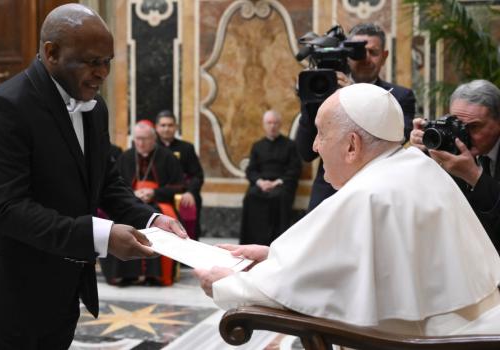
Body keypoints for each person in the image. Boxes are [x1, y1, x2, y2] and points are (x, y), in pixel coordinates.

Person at [0, 4, 186, 349]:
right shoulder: (7, 108)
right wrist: (102, 236)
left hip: (60, 289)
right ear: (51, 53)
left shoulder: (94, 108)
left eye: (107, 61)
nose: (103, 72)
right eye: (91, 61)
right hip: (2, 293)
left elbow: (105, 182)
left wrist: (150, 217)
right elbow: (7, 209)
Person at [195, 83, 500, 337]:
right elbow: (351, 264)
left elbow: (278, 293)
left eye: (321, 133)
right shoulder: (417, 166)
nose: (315, 146)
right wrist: (272, 257)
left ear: (352, 145)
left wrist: (227, 282)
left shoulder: (368, 194)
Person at [296, 23, 416, 211]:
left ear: (384, 56)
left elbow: (395, 142)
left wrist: (353, 95)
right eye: (358, 52)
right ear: (346, 55)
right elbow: (306, 152)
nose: (365, 58)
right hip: (328, 198)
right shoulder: (322, 91)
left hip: (376, 199)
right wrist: (312, 104)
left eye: (372, 52)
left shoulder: (400, 97)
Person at [410, 79, 500, 253]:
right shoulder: (450, 148)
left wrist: (474, 176)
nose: (463, 135)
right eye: (457, 125)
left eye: (473, 127)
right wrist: (420, 153)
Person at [100, 121, 185, 286]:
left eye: (145, 139)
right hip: (128, 204)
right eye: (138, 139)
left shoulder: (167, 157)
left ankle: (155, 275)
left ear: (154, 139)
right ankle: (123, 274)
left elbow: (179, 185)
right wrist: (134, 194)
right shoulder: (125, 157)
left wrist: (154, 193)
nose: (141, 143)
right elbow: (116, 186)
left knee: (160, 220)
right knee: (118, 221)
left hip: (159, 203)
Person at [239, 110, 302, 245]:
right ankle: (252, 242)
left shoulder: (290, 145)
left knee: (279, 197)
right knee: (251, 197)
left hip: (281, 184)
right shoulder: (257, 146)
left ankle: (277, 244)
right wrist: (261, 182)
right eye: (269, 123)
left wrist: (276, 183)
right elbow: (251, 170)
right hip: (261, 184)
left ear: (280, 125)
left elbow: (294, 169)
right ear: (264, 125)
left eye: (275, 123)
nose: (272, 126)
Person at [155, 110, 204, 239]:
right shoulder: (151, 148)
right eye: (163, 125)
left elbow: (197, 175)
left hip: (182, 194)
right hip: (159, 193)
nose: (166, 129)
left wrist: (191, 192)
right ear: (156, 127)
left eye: (170, 125)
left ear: (176, 127)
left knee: (192, 201)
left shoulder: (186, 148)